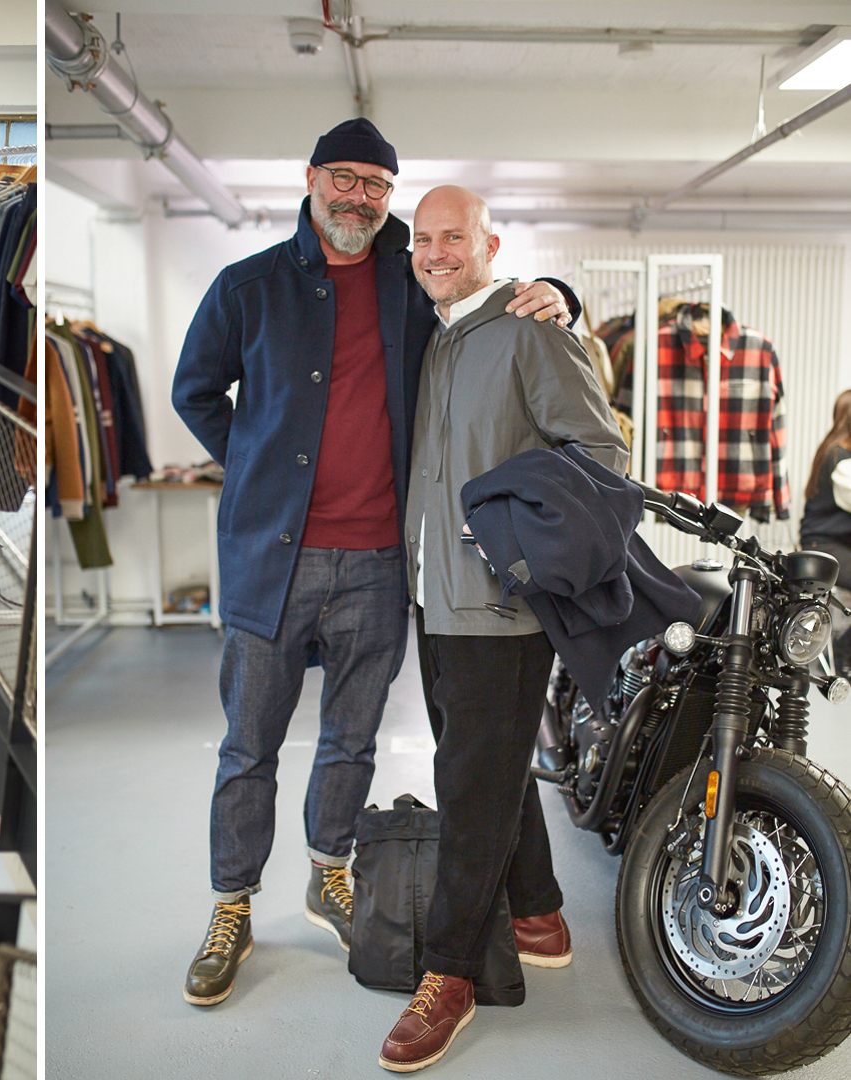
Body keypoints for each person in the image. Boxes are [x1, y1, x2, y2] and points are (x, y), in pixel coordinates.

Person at [170, 117, 575, 1008]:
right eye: (344, 178)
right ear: (311, 178)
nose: (359, 197)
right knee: (249, 747)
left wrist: (558, 292)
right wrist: (257, 465)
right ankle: (231, 905)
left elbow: (486, 291)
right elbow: (192, 388)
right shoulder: (250, 286)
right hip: (271, 561)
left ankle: (330, 872)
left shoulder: (408, 279)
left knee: (350, 740)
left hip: (381, 564)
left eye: (377, 185)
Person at [380, 185, 625, 1073]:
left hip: (500, 605)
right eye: (423, 239)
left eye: (454, 236)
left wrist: (506, 533)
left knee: (469, 794)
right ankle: (538, 915)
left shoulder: (529, 330)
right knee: (489, 767)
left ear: (490, 244)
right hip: (433, 600)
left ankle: (449, 974)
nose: (436, 251)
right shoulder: (441, 335)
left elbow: (600, 454)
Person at [798, 390, 851, 670]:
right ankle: (845, 655)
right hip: (823, 549)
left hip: (826, 545)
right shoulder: (841, 460)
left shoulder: (834, 452)